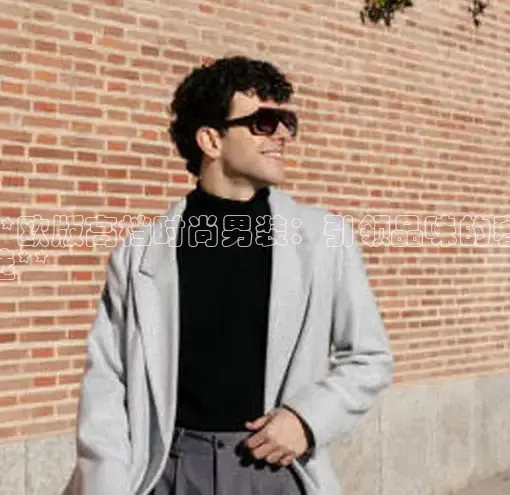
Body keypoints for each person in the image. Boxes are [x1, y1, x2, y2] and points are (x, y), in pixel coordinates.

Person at [62, 55, 394, 495]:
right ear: (211, 140)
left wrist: (307, 419)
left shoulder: (323, 239)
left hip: (276, 471)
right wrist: (107, 483)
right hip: (168, 472)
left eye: (287, 122)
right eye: (263, 123)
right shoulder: (139, 253)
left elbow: (369, 357)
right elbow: (107, 382)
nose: (282, 135)